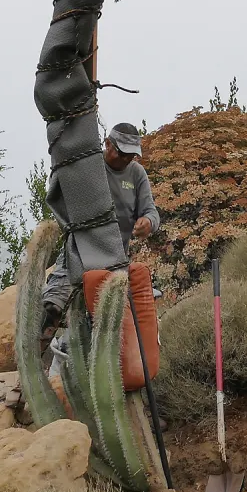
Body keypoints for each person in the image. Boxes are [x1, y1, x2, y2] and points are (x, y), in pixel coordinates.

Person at [41, 122, 160, 339]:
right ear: (108, 145)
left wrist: (148, 222)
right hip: (78, 252)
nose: (127, 159)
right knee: (53, 308)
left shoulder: (136, 173)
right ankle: (31, 366)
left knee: (108, 322)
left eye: (131, 155)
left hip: (115, 260)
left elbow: (152, 212)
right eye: (122, 154)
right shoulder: (91, 165)